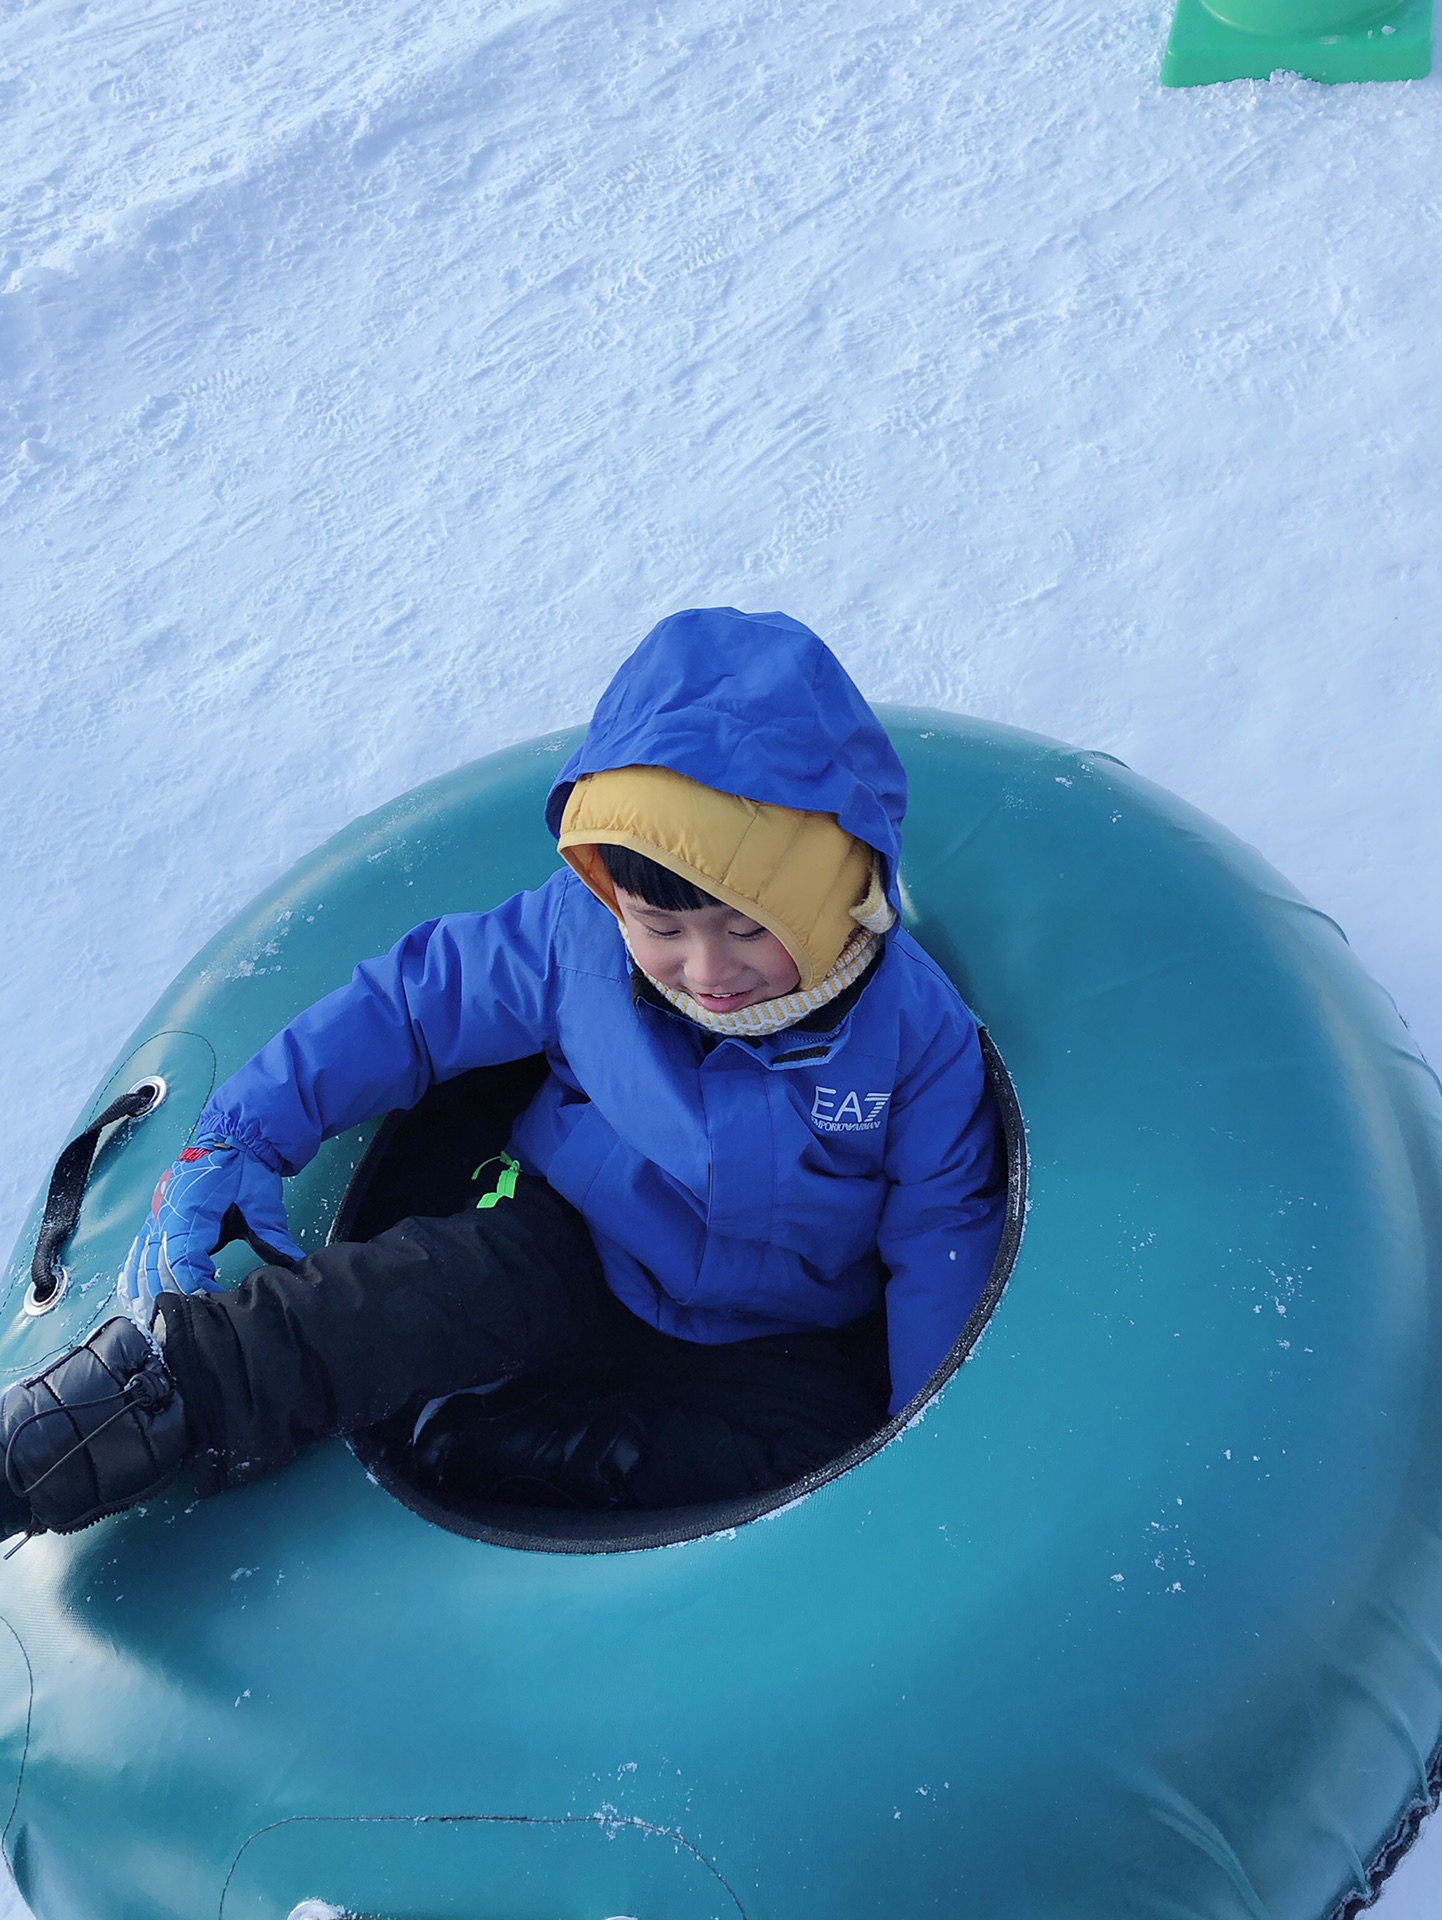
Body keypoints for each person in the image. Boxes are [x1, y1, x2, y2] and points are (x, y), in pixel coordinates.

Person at [0, 609, 1005, 1538]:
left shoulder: (911, 1036)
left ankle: (522, 1449)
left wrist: (929, 1431)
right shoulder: (578, 941)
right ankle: (71, 1434)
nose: (707, 973)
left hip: (778, 1330)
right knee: (377, 1305)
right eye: (662, 927)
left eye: (749, 928)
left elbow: (939, 1233)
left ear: (830, 898)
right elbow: (413, 1003)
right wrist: (247, 1126)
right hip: (568, 1235)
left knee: (804, 1455)